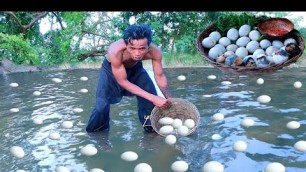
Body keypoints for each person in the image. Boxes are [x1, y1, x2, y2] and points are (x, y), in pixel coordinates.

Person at [86, 24, 172, 133]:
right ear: (126, 45)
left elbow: (159, 76)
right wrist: (153, 98)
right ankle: (95, 135)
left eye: (142, 49)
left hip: (135, 68)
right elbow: (123, 81)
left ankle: (151, 131)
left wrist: (169, 98)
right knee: (101, 107)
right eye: (132, 48)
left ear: (148, 46)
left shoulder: (155, 52)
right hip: (110, 70)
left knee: (149, 97)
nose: (137, 53)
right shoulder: (115, 51)